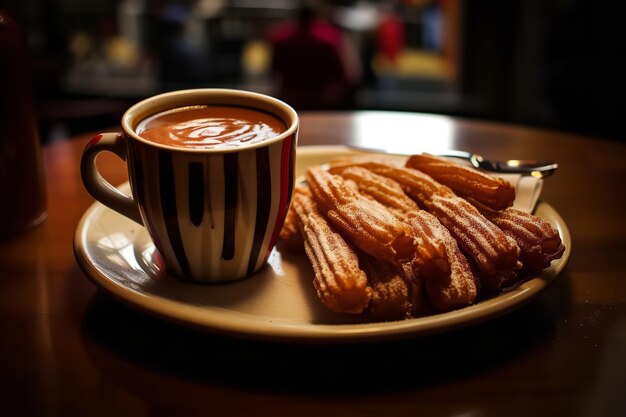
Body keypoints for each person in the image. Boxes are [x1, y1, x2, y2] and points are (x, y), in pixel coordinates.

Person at [268, 5, 360, 109]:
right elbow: (341, 74)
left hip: (290, 97)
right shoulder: (327, 41)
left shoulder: (282, 40)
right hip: (320, 99)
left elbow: (273, 70)